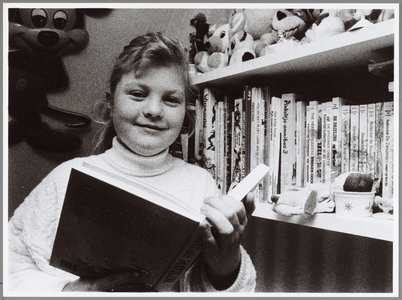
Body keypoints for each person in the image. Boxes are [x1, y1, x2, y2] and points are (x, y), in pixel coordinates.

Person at [8, 32, 256, 293]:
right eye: (138, 93)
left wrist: (227, 263)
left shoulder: (201, 183)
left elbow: (216, 287)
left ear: (186, 114)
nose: (154, 110)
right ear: (110, 103)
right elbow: (10, 267)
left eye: (171, 99)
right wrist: (71, 291)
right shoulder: (66, 176)